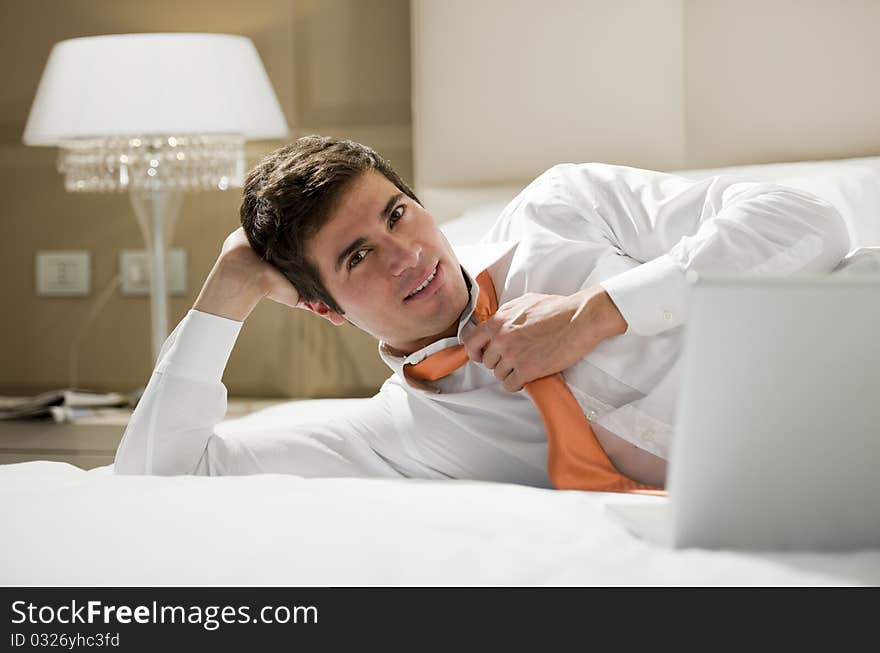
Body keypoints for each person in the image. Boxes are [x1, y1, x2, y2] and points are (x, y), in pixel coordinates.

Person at [113, 135, 850, 489]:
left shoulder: (567, 209)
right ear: (322, 306)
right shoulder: (396, 433)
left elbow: (810, 220)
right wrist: (231, 285)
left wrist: (597, 314)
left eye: (398, 214)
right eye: (358, 257)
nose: (406, 255)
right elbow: (157, 479)